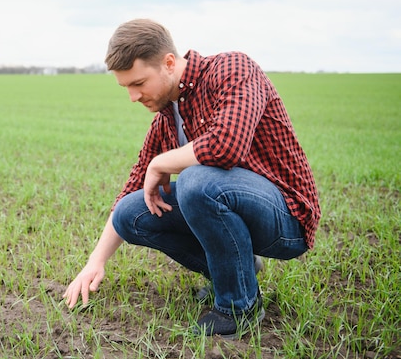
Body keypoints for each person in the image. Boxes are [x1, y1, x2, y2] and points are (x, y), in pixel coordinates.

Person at [63, 19, 321, 339]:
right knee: (132, 213)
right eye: (126, 86)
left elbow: (226, 147)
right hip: (237, 208)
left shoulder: (232, 69)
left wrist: (162, 161)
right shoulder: (168, 118)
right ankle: (237, 273)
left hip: (286, 218)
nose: (132, 96)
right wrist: (95, 262)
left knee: (196, 182)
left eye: (139, 82)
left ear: (169, 63)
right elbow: (132, 189)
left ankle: (239, 306)